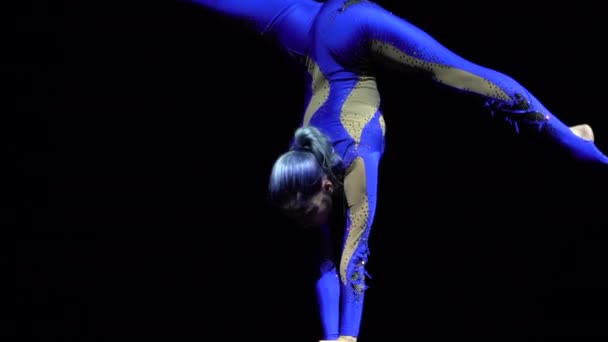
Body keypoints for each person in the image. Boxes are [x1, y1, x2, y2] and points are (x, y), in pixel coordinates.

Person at [189, 1, 608, 341]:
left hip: (353, 27)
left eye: (301, 214)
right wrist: (329, 338)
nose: (300, 223)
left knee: (460, 74)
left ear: (325, 185)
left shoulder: (355, 159)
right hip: (307, 29)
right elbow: (319, 262)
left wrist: (348, 339)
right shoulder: (298, 172)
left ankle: (575, 143)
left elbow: (355, 258)